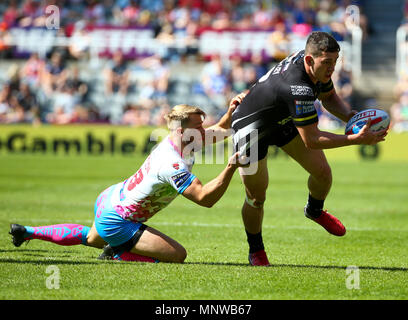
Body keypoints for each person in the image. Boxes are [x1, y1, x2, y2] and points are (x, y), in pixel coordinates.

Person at [9, 93, 247, 263]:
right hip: (119, 219)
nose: (204, 132)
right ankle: (120, 253)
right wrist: (230, 167)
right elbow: (205, 198)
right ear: (182, 131)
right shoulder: (172, 163)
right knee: (177, 256)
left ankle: (27, 231)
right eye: (199, 127)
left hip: (110, 200)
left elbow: (220, 131)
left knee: (91, 238)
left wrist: (230, 112)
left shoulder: (180, 140)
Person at [231, 31, 388, 266]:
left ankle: (314, 210)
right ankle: (256, 250)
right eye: (327, 63)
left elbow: (329, 97)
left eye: (334, 62)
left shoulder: (315, 65)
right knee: (256, 198)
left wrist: (349, 117)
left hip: (283, 120)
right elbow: (312, 140)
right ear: (308, 60)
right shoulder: (297, 87)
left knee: (323, 173)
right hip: (250, 132)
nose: (331, 69)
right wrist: (355, 139)